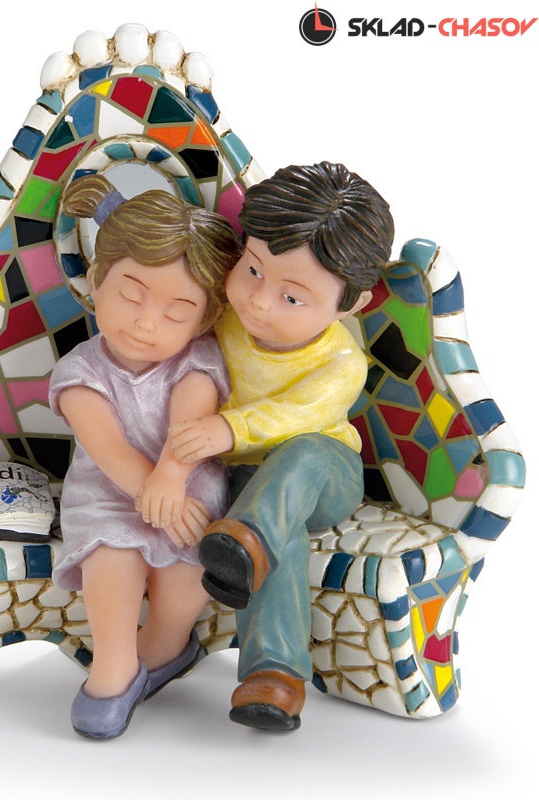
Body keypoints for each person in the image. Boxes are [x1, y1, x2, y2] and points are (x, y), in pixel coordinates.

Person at [167, 162, 395, 732]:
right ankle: (274, 676)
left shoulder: (341, 362)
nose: (259, 302)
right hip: (249, 486)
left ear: (351, 305)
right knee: (276, 530)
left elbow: (296, 415)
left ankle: (246, 543)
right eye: (251, 270)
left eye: (292, 297)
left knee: (302, 454)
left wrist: (228, 429)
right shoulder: (224, 318)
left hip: (325, 475)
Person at [50, 174, 243, 739]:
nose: (145, 321)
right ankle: (113, 669)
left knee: (187, 571)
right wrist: (150, 489)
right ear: (96, 281)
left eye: (176, 312)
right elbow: (107, 446)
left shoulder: (198, 360)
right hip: (109, 493)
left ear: (204, 320)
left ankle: (163, 650)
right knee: (111, 563)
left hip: (186, 485)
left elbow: (188, 426)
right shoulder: (81, 370)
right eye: (131, 295)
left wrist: (171, 479)